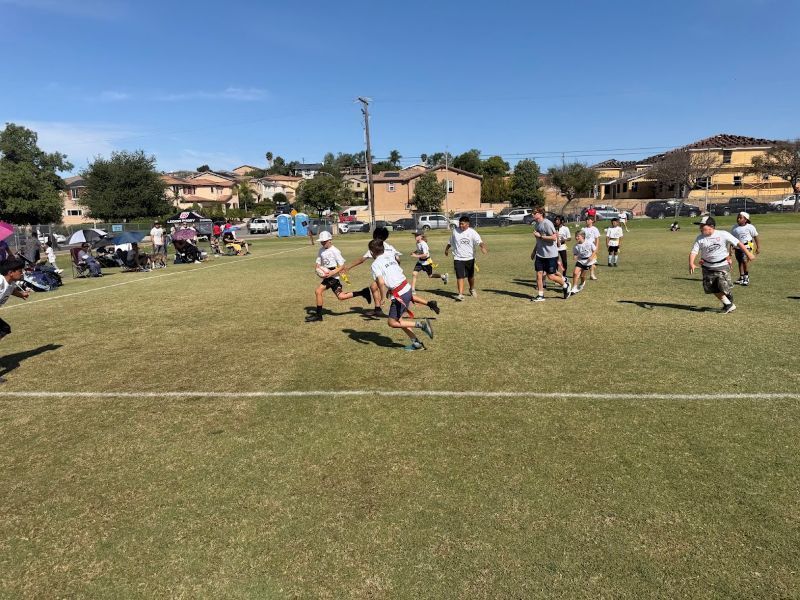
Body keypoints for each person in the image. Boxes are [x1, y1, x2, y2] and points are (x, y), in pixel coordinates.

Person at [368, 239, 434, 351]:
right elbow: (397, 271)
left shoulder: (375, 264)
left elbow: (381, 282)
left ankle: (422, 325)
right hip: (406, 288)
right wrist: (391, 289)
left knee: (392, 322)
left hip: (400, 294)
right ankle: (416, 343)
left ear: (372, 252)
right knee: (400, 320)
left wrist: (383, 297)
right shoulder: (389, 256)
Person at [689, 216, 755, 314]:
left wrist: (748, 253)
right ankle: (728, 304)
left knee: (723, 286)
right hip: (707, 267)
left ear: (711, 226)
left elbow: (738, 243)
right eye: (700, 226)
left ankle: (728, 298)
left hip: (722, 265)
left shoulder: (723, 234)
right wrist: (691, 263)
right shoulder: (700, 238)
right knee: (712, 288)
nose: (700, 228)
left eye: (702, 226)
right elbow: (694, 252)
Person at [305, 231, 372, 322]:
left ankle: (318, 315)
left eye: (324, 241)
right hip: (328, 275)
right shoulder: (321, 250)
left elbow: (342, 266)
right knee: (341, 296)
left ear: (330, 240)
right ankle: (363, 292)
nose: (323, 243)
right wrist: (318, 269)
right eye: (321, 241)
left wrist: (332, 273)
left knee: (318, 291)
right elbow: (318, 261)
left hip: (333, 276)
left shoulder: (335, 251)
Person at [344, 226, 402, 317]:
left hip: (384, 274)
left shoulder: (376, 247)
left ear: (375, 236)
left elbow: (362, 260)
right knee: (374, 287)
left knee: (402, 293)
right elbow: (398, 259)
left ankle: (427, 303)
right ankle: (378, 310)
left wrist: (348, 267)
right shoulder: (390, 247)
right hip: (392, 272)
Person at [530, 208, 571, 302]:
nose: (533, 215)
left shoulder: (547, 223)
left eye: (534, 213)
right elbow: (538, 241)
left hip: (550, 255)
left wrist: (540, 236)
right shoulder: (537, 224)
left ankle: (565, 285)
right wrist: (534, 251)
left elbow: (553, 238)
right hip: (540, 255)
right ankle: (540, 295)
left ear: (540, 214)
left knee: (551, 276)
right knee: (539, 274)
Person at [444, 215, 487, 301]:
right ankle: (460, 294)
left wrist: (482, 247)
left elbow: (480, 242)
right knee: (460, 276)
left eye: (462, 224)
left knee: (470, 277)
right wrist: (446, 249)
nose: (460, 225)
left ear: (468, 224)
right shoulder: (455, 231)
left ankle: (472, 289)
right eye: (460, 224)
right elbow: (450, 242)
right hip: (458, 258)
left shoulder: (472, 232)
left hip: (470, 258)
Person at [0, 258, 30, 371]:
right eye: (19, 271)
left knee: (4, 328)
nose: (21, 273)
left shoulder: (10, 283)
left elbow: (11, 290)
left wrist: (21, 294)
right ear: (10, 273)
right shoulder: (0, 281)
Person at [731, 211, 760, 286]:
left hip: (747, 246)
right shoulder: (734, 227)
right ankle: (741, 277)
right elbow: (732, 239)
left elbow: (755, 237)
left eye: (740, 218)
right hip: (738, 247)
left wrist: (758, 247)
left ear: (746, 219)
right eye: (738, 217)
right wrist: (730, 249)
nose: (738, 219)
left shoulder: (750, 227)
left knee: (744, 261)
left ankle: (746, 277)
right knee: (740, 262)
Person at [570, 230, 596, 295]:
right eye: (576, 236)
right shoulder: (576, 246)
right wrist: (575, 256)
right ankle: (574, 287)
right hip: (580, 260)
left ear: (583, 236)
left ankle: (582, 283)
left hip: (587, 262)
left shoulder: (589, 243)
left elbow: (595, 250)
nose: (576, 238)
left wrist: (592, 257)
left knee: (582, 276)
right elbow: (575, 254)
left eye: (578, 236)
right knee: (575, 272)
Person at [580, 216, 601, 281]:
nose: (587, 221)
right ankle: (582, 273)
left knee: (592, 261)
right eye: (586, 220)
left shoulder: (595, 229)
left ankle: (592, 274)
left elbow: (597, 239)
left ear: (592, 221)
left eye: (588, 220)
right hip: (585, 247)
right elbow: (580, 238)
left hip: (592, 247)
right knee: (584, 260)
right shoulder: (583, 229)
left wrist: (596, 248)